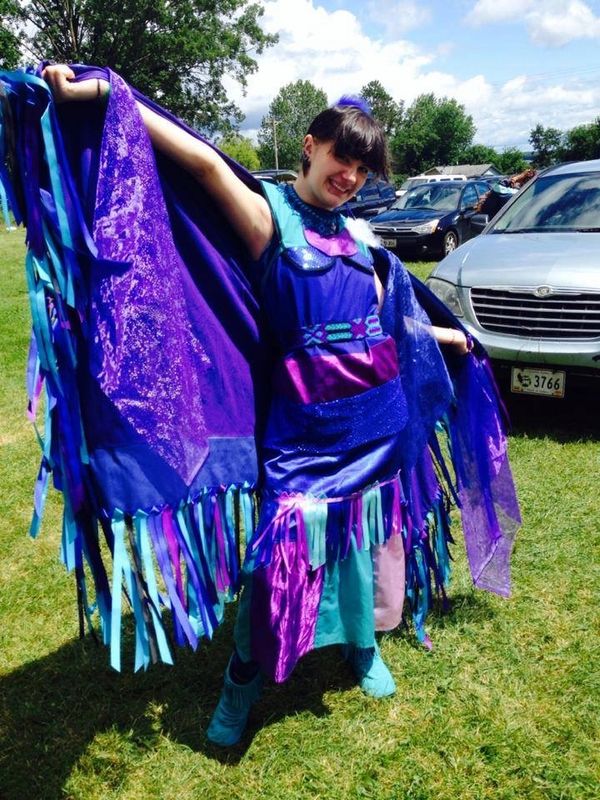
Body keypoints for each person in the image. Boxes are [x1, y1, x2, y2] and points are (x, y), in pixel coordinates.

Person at [15, 64, 517, 748]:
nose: (350, 175)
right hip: (304, 442)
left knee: (361, 544)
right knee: (277, 565)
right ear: (309, 146)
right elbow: (197, 158)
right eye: (342, 156)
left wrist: (450, 336)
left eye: (363, 167)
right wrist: (105, 93)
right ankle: (241, 685)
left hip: (374, 431)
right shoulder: (268, 216)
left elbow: (387, 324)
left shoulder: (364, 240)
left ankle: (362, 646)